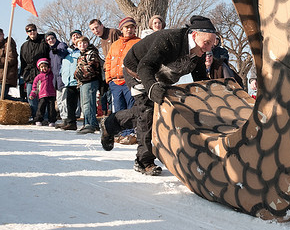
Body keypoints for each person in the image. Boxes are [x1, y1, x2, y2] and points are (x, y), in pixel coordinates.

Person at [99, 15, 215, 176]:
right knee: (147, 113)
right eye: (207, 43)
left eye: (212, 44)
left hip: (161, 78)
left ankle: (110, 124)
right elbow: (145, 66)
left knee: (148, 112)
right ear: (194, 35)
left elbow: (201, 78)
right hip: (137, 72)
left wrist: (211, 95)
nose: (208, 49)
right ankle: (143, 161)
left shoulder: (200, 51)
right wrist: (152, 87)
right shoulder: (169, 39)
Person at [105, 17, 140, 113]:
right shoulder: (114, 45)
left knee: (131, 108)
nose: (129, 29)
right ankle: (120, 128)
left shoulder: (138, 42)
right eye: (127, 27)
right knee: (118, 110)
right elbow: (108, 61)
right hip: (115, 83)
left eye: (132, 27)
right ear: (121, 29)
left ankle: (131, 128)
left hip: (129, 82)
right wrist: (109, 79)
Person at [19, 24, 50, 119]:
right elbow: (23, 62)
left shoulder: (44, 42)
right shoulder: (24, 46)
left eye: (33, 30)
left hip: (42, 73)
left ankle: (44, 117)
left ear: (36, 30)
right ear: (27, 33)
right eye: (29, 31)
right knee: (31, 96)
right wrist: (23, 75)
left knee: (43, 96)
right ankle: (36, 116)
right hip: (30, 75)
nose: (32, 32)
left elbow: (50, 57)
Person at [74, 36, 102, 134]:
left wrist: (78, 73)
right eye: (80, 44)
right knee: (84, 104)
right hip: (82, 82)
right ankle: (87, 123)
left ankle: (91, 124)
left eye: (84, 43)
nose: (82, 45)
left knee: (88, 103)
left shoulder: (91, 53)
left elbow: (93, 67)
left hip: (90, 81)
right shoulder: (81, 55)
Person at [60, 30, 83, 131]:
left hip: (80, 80)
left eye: (78, 35)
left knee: (83, 103)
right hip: (69, 81)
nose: (75, 37)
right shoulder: (67, 51)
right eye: (73, 36)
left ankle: (88, 123)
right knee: (70, 103)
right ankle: (71, 123)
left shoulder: (83, 49)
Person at [45, 32, 69, 127]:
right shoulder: (50, 51)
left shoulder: (60, 45)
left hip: (63, 78)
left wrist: (58, 51)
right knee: (59, 100)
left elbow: (63, 50)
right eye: (48, 39)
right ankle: (63, 118)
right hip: (56, 79)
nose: (51, 40)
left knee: (64, 99)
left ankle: (67, 119)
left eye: (52, 38)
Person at [30, 58, 58, 127]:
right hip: (42, 95)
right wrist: (33, 94)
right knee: (41, 108)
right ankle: (38, 120)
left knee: (51, 109)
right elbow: (35, 87)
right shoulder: (38, 77)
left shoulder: (52, 75)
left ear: (48, 67)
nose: (44, 68)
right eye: (42, 67)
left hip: (52, 94)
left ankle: (52, 121)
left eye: (45, 67)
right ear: (39, 68)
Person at [0, 28, 19, 100]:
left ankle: (22, 102)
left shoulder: (8, 44)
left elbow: (11, 59)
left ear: (3, 35)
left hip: (5, 77)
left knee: (2, 97)